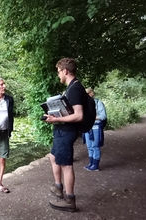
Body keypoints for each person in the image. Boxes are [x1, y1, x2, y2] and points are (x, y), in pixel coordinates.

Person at [43, 58, 86, 212]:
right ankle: (58, 186)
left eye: (59, 71)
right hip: (62, 129)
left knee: (66, 165)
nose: (58, 75)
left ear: (65, 71)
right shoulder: (71, 87)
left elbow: (79, 115)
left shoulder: (74, 88)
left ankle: (69, 200)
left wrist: (57, 119)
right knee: (53, 156)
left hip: (67, 131)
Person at [83, 88, 107, 171]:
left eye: (86, 93)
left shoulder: (98, 103)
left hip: (96, 127)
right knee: (89, 146)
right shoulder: (84, 104)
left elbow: (103, 116)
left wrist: (91, 117)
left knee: (95, 146)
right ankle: (91, 164)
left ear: (91, 93)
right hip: (87, 127)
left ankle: (95, 165)